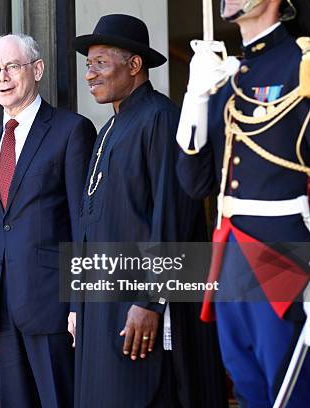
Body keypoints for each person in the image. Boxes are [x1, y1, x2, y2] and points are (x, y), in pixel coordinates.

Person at [70, 14, 227, 408]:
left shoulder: (160, 117)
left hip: (142, 307)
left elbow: (172, 217)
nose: (90, 74)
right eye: (88, 64)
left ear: (134, 65)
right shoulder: (109, 127)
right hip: (105, 303)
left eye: (101, 63)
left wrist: (149, 301)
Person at [176, 0, 310, 406]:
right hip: (231, 255)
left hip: (286, 256)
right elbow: (195, 182)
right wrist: (195, 98)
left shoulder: (301, 65)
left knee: (291, 393)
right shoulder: (226, 77)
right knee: (248, 390)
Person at [0, 34, 96, 408]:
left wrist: (79, 303)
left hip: (54, 309)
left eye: (12, 66)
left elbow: (83, 225)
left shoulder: (71, 130)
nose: (2, 77)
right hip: (2, 315)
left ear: (37, 69)